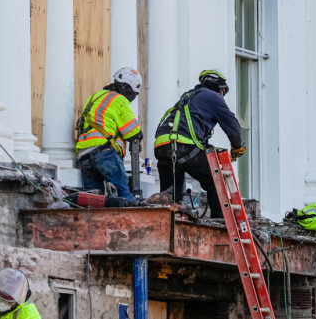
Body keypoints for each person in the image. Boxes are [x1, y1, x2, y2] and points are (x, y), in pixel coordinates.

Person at [153, 69, 246, 218]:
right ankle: (219, 219)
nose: (222, 96)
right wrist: (237, 146)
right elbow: (232, 126)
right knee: (215, 178)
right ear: (219, 87)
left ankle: (169, 221)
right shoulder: (213, 97)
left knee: (171, 194)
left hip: (162, 145)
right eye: (223, 92)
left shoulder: (189, 96)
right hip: (182, 145)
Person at [75, 67, 144, 200]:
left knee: (93, 199)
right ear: (125, 88)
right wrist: (139, 137)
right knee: (123, 194)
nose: (131, 98)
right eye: (132, 94)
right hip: (103, 152)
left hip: (83, 154)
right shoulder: (118, 99)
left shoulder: (96, 96)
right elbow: (132, 131)